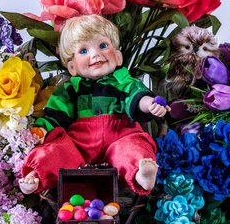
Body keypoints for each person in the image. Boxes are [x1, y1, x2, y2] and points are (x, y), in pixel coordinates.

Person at [19, 14, 170, 195]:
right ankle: (37, 175)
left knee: (131, 148)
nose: (95, 54)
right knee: (57, 150)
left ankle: (140, 174)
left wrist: (150, 104)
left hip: (120, 135)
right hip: (80, 143)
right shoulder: (70, 89)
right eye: (83, 51)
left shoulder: (123, 81)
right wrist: (41, 131)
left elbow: (137, 96)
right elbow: (56, 115)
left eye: (103, 46)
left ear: (118, 57)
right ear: (72, 67)